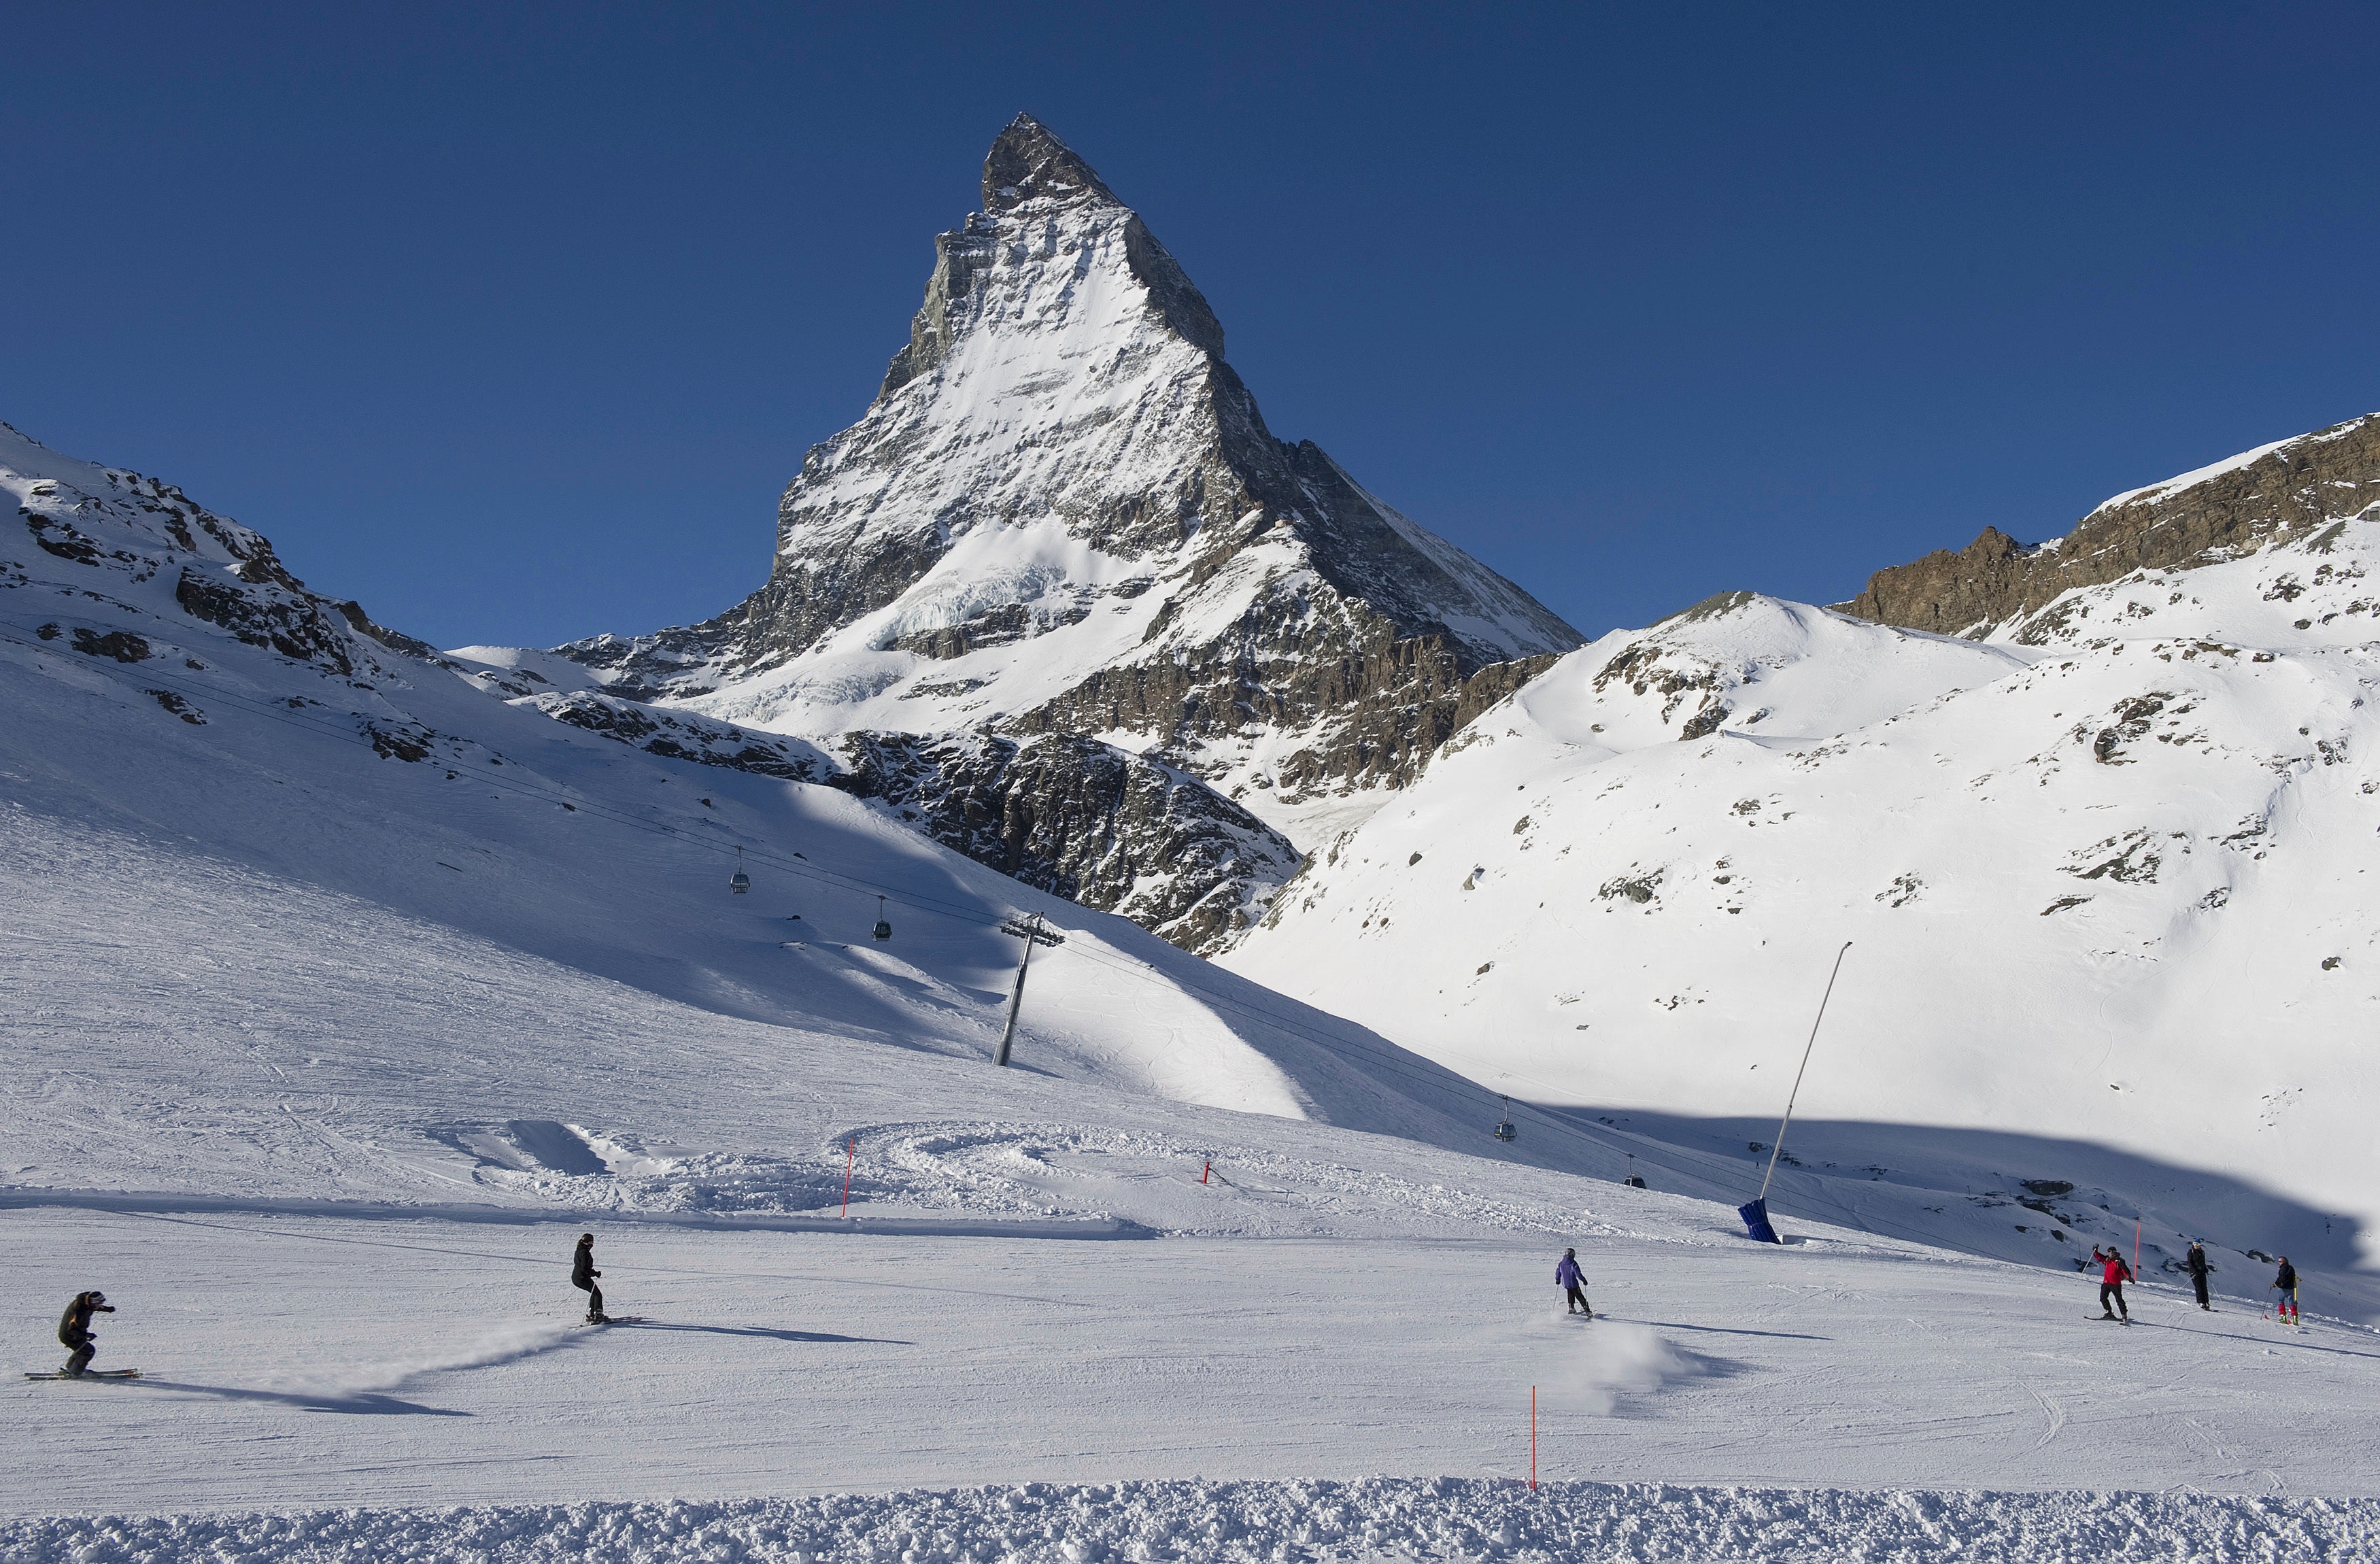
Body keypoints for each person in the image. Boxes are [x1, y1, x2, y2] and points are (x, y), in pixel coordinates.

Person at [57, 1290, 114, 1378]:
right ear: (92, 1302)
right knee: (88, 1351)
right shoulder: (78, 1311)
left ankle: (71, 1368)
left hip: (76, 1334)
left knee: (82, 1350)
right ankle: (76, 1372)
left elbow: (93, 1307)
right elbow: (71, 1330)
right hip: (70, 1336)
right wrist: (86, 1335)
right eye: (99, 1303)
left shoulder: (86, 1303)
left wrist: (107, 1309)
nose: (99, 1305)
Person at [571, 1233, 608, 1324]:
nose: (593, 1243)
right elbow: (585, 1268)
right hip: (582, 1278)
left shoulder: (580, 1250)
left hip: (577, 1277)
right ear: (588, 1242)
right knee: (597, 1294)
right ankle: (598, 1315)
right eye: (592, 1241)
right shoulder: (584, 1252)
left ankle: (592, 1314)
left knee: (594, 1293)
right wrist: (595, 1273)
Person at [2094, 1246, 2131, 1322]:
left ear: (2114, 1252)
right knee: (2103, 1298)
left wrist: (2128, 1277)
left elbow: (2125, 1270)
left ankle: (2124, 1315)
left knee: (2119, 1300)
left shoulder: (2119, 1261)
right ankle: (2109, 1312)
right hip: (2106, 1282)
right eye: (2109, 1252)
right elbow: (2100, 1258)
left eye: (2110, 1252)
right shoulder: (2107, 1260)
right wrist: (2095, 1251)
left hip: (2115, 1284)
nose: (2109, 1253)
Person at [1556, 1247, 1592, 1318]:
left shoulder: (1561, 1264)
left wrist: (1558, 1280)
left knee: (1570, 1294)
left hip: (1566, 1284)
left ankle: (1571, 1308)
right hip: (1574, 1284)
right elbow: (1578, 1274)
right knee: (1579, 1296)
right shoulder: (1573, 1263)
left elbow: (1558, 1273)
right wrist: (1584, 1280)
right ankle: (1587, 1310)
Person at [2271, 1257, 2299, 1325]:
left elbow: (2281, 1277)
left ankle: (2283, 1318)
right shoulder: (2291, 1268)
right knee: (2292, 1303)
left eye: (2280, 1261)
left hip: (2283, 1288)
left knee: (2281, 1302)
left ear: (2283, 1262)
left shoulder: (2283, 1268)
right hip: (2291, 1288)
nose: (2279, 1263)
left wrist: (2275, 1284)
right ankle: (2295, 1319)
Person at [2186, 1241, 2211, 1311]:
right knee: (2199, 1287)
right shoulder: (2191, 1252)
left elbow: (2203, 1262)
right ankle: (2201, 1302)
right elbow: (2190, 1263)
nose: (2196, 1246)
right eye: (2195, 1244)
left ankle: (2206, 1302)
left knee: (2204, 1288)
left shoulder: (2202, 1252)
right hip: (2195, 1273)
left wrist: (2205, 1268)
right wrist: (2194, 1271)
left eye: (2198, 1244)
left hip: (2202, 1272)